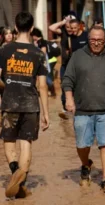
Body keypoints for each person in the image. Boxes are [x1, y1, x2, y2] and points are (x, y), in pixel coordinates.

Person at [62, 26, 105, 193]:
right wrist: (69, 99)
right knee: (82, 145)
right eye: (93, 40)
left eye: (100, 40)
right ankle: (86, 164)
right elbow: (68, 80)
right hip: (82, 110)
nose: (96, 43)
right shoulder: (78, 56)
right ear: (88, 39)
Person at [0, 11, 50, 198]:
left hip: (9, 103)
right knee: (26, 143)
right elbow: (43, 86)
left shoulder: (4, 50)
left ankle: (15, 172)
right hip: (31, 104)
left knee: (9, 141)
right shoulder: (38, 54)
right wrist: (46, 113)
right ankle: (20, 181)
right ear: (31, 28)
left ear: (15, 27)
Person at [48, 15, 76, 119]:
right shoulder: (63, 32)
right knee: (64, 85)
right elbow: (51, 28)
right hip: (64, 64)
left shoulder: (77, 35)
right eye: (67, 26)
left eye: (71, 26)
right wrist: (63, 22)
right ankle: (65, 107)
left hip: (75, 65)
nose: (69, 29)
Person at [31, 28, 57, 97]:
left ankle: (52, 89)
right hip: (38, 62)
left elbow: (43, 53)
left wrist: (36, 48)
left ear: (34, 35)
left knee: (46, 77)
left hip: (43, 62)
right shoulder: (37, 42)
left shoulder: (41, 41)